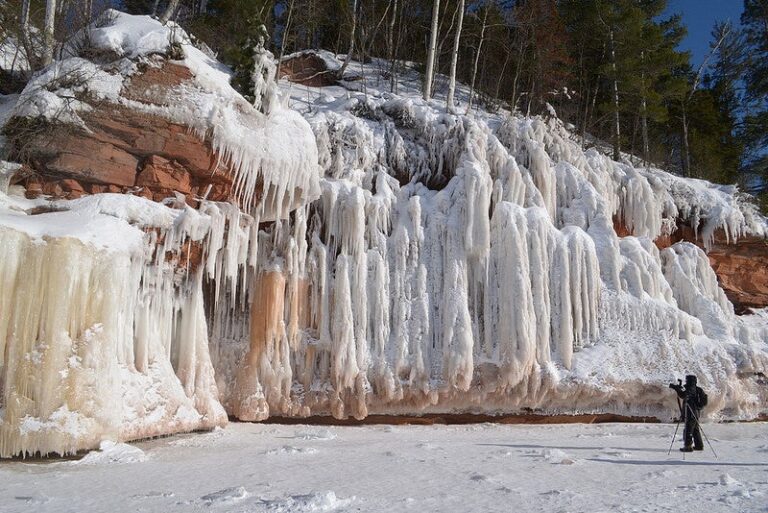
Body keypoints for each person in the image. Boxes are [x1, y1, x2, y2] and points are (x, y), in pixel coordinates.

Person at [670, 374, 707, 452]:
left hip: (690, 412)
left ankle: (688, 446)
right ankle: (699, 445)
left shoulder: (690, 388)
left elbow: (683, 395)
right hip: (696, 412)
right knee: (695, 429)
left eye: (687, 380)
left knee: (688, 429)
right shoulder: (698, 389)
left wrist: (677, 389)